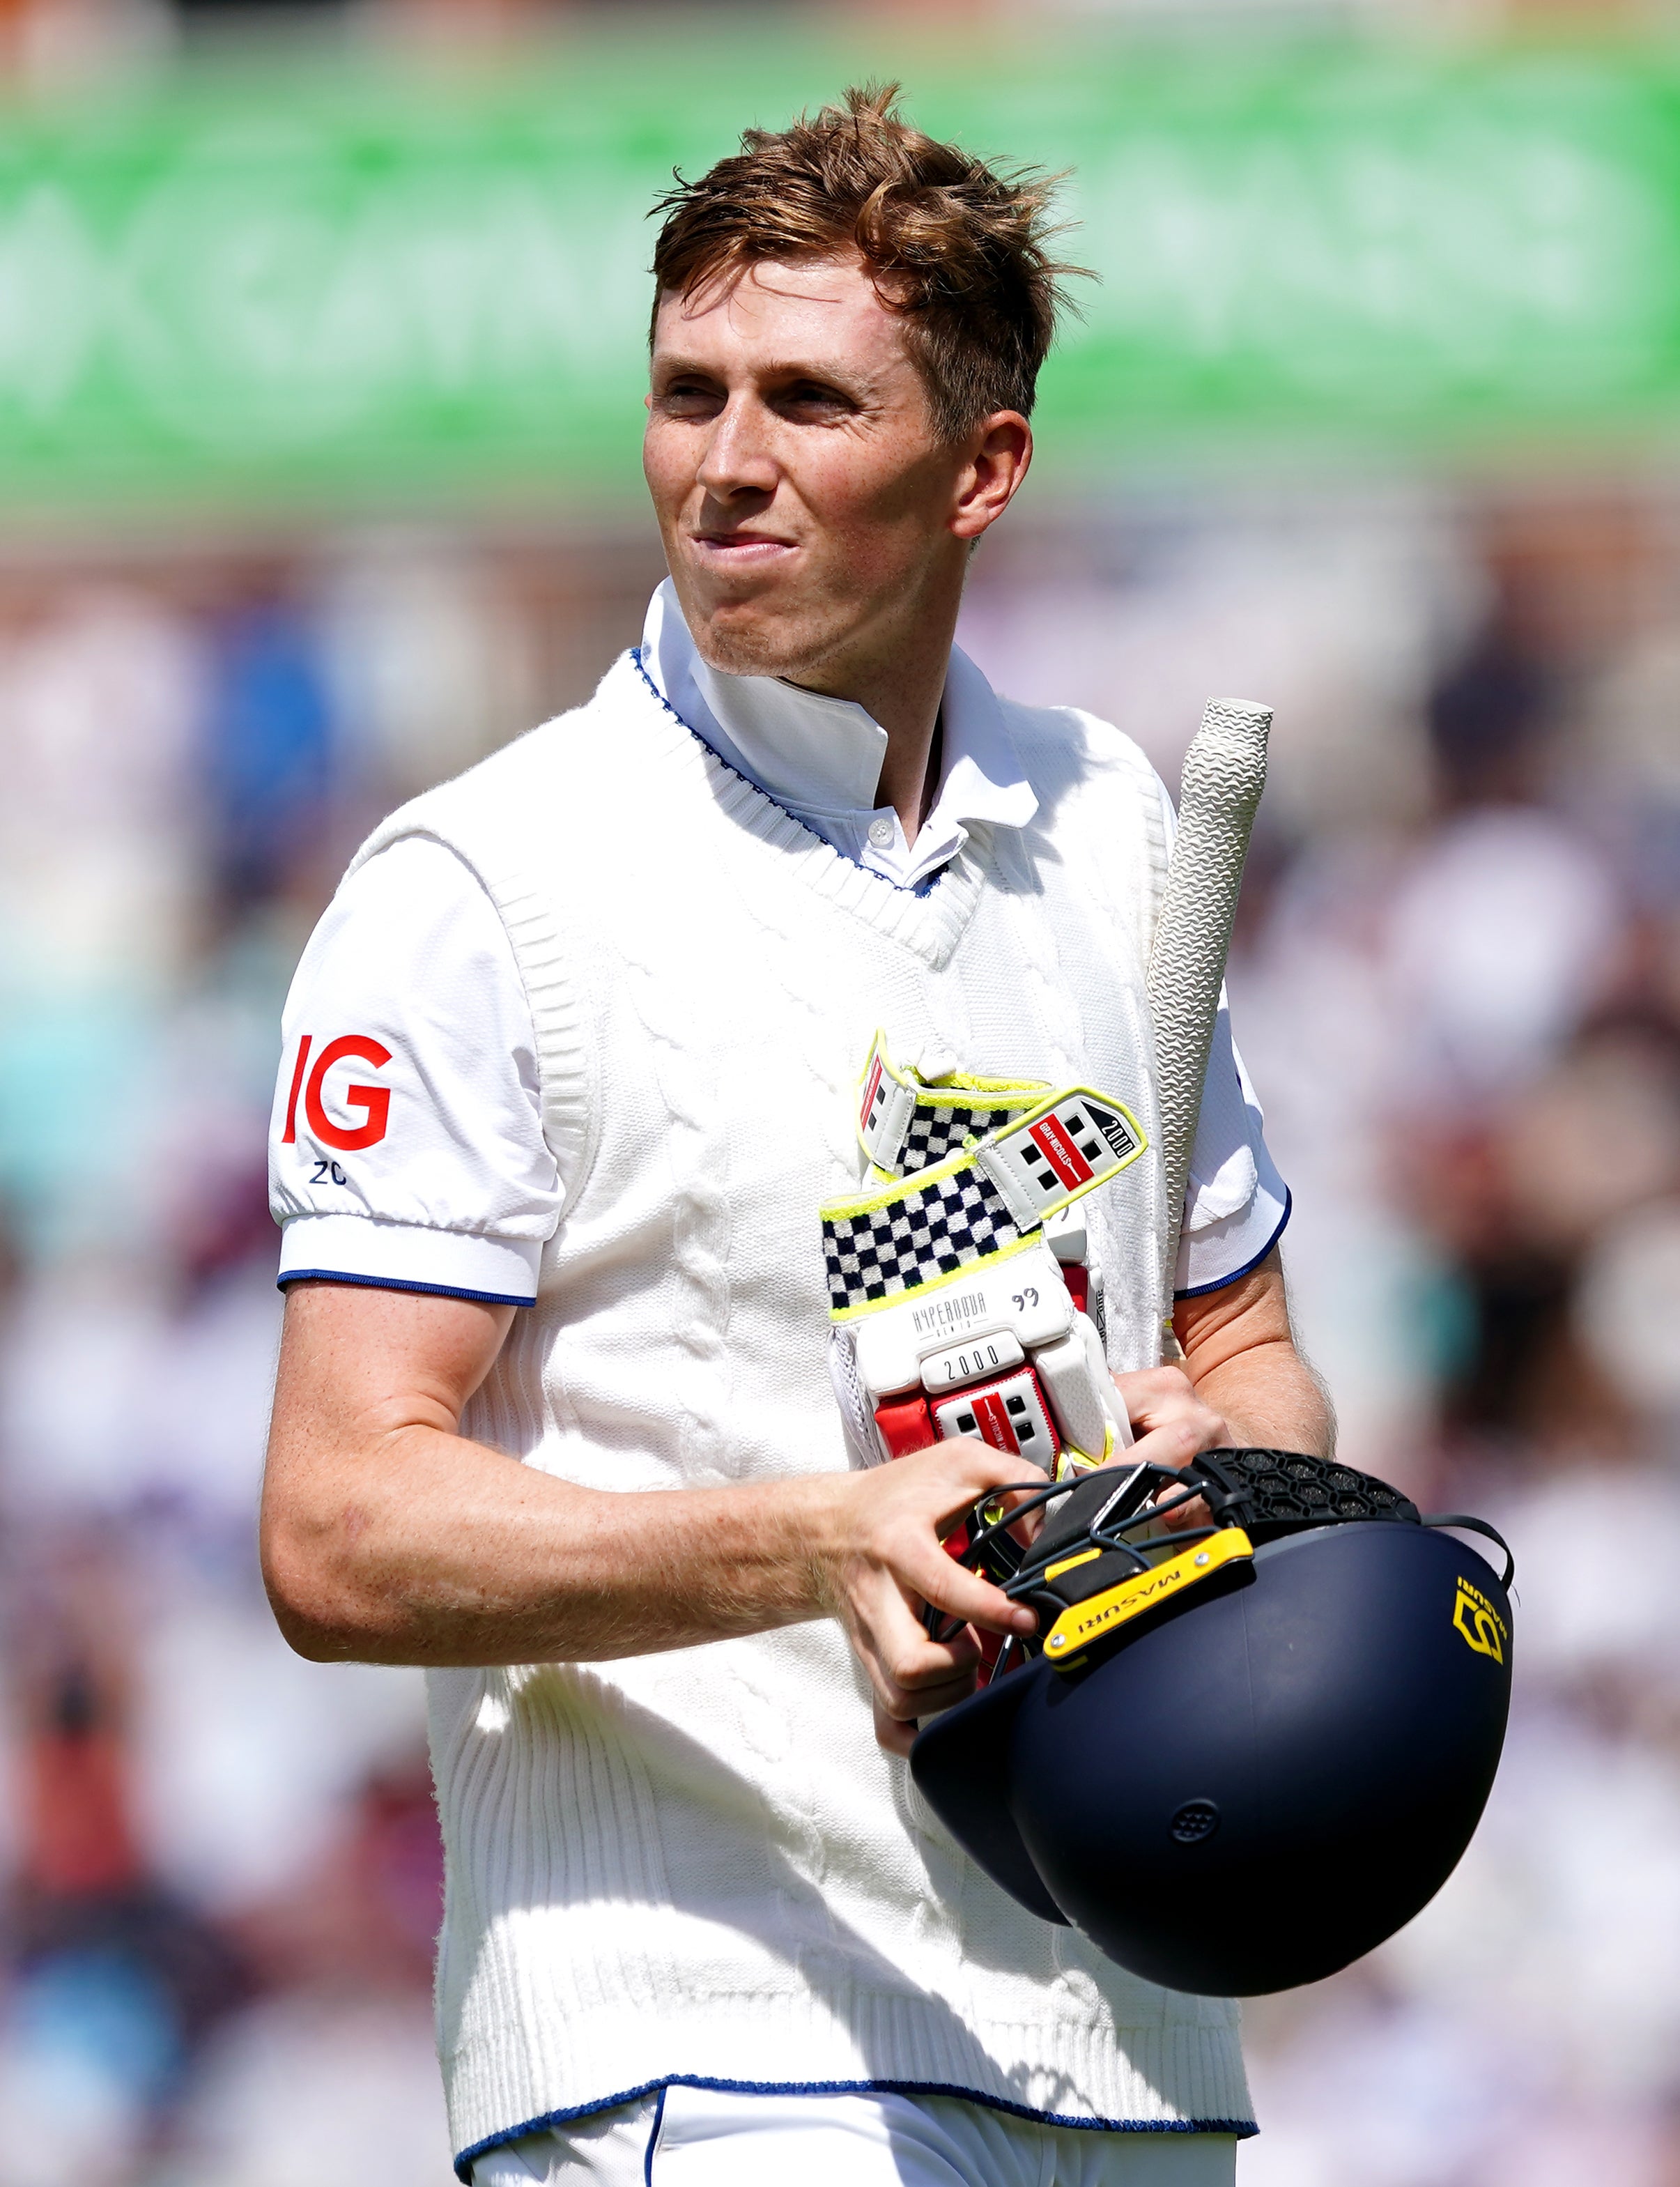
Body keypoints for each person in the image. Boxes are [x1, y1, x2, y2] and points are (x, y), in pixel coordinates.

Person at [261, 85, 1331, 2187]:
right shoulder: (483, 882)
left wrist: (1221, 1466)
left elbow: (1250, 1348)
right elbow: (330, 1521)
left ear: (980, 469)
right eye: (687, 393)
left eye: (808, 402)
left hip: (1129, 2049)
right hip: (710, 2046)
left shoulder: (1118, 830)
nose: (726, 465)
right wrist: (816, 1534)